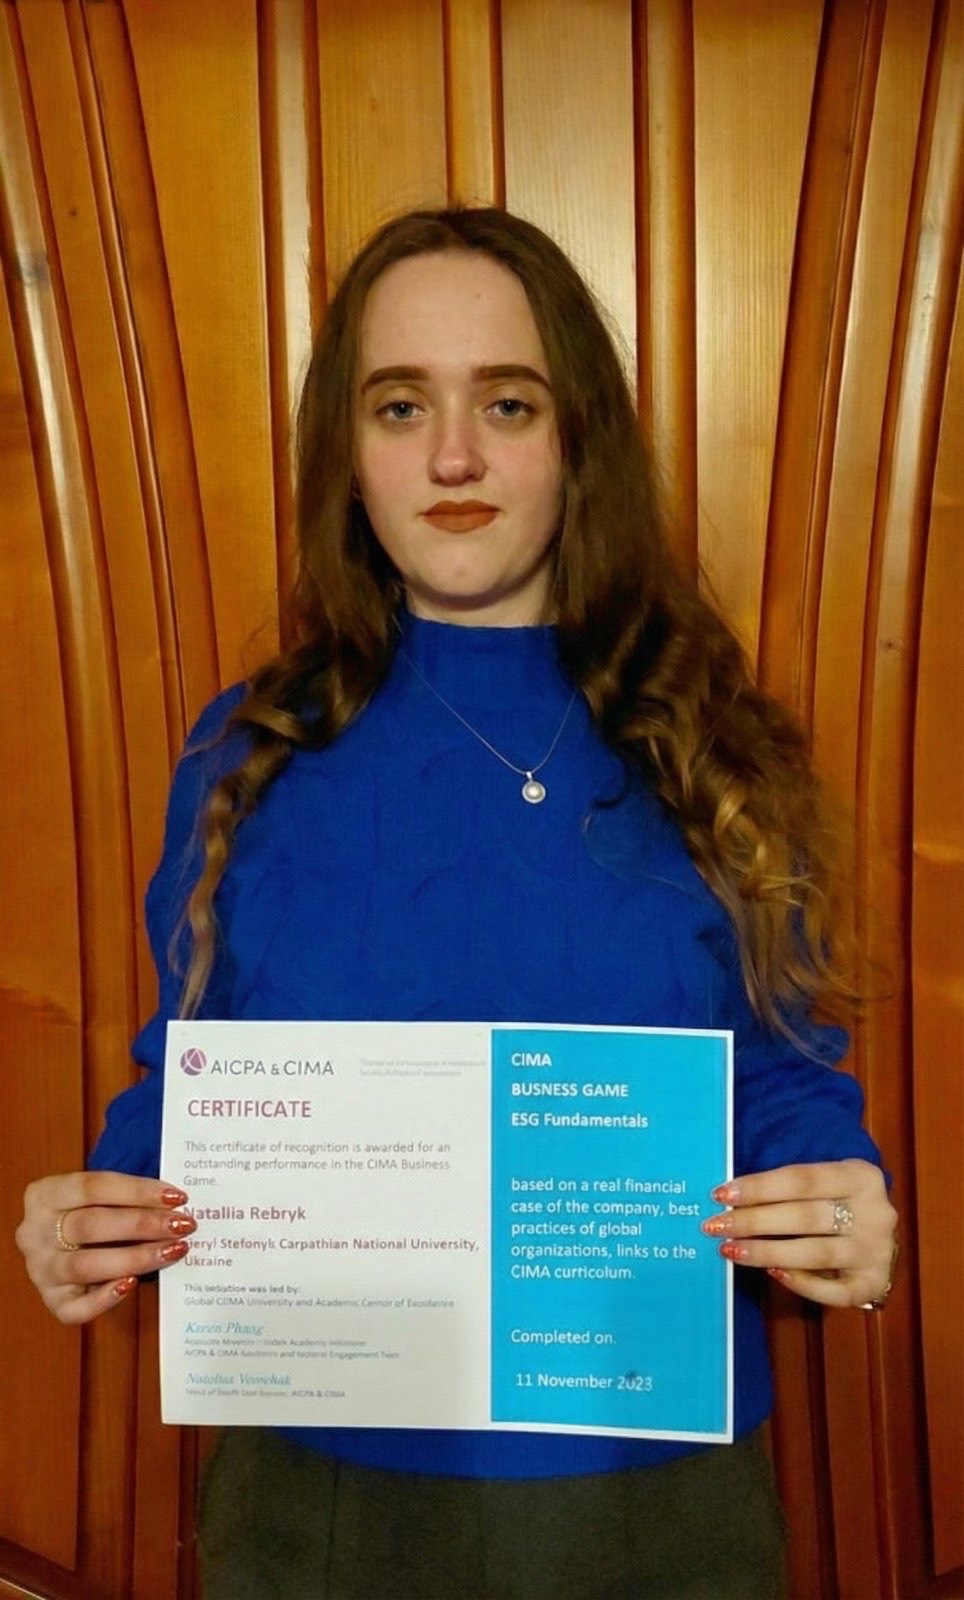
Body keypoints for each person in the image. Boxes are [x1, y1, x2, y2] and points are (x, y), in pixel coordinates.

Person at [16, 206, 897, 1599]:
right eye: (399, 404)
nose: (452, 457)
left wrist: (843, 1204)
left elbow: (783, 1077)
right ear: (347, 455)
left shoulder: (708, 740)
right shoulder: (251, 750)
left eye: (507, 402)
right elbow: (194, 1077)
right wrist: (101, 1217)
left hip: (651, 1488)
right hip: (319, 1499)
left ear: (578, 440)